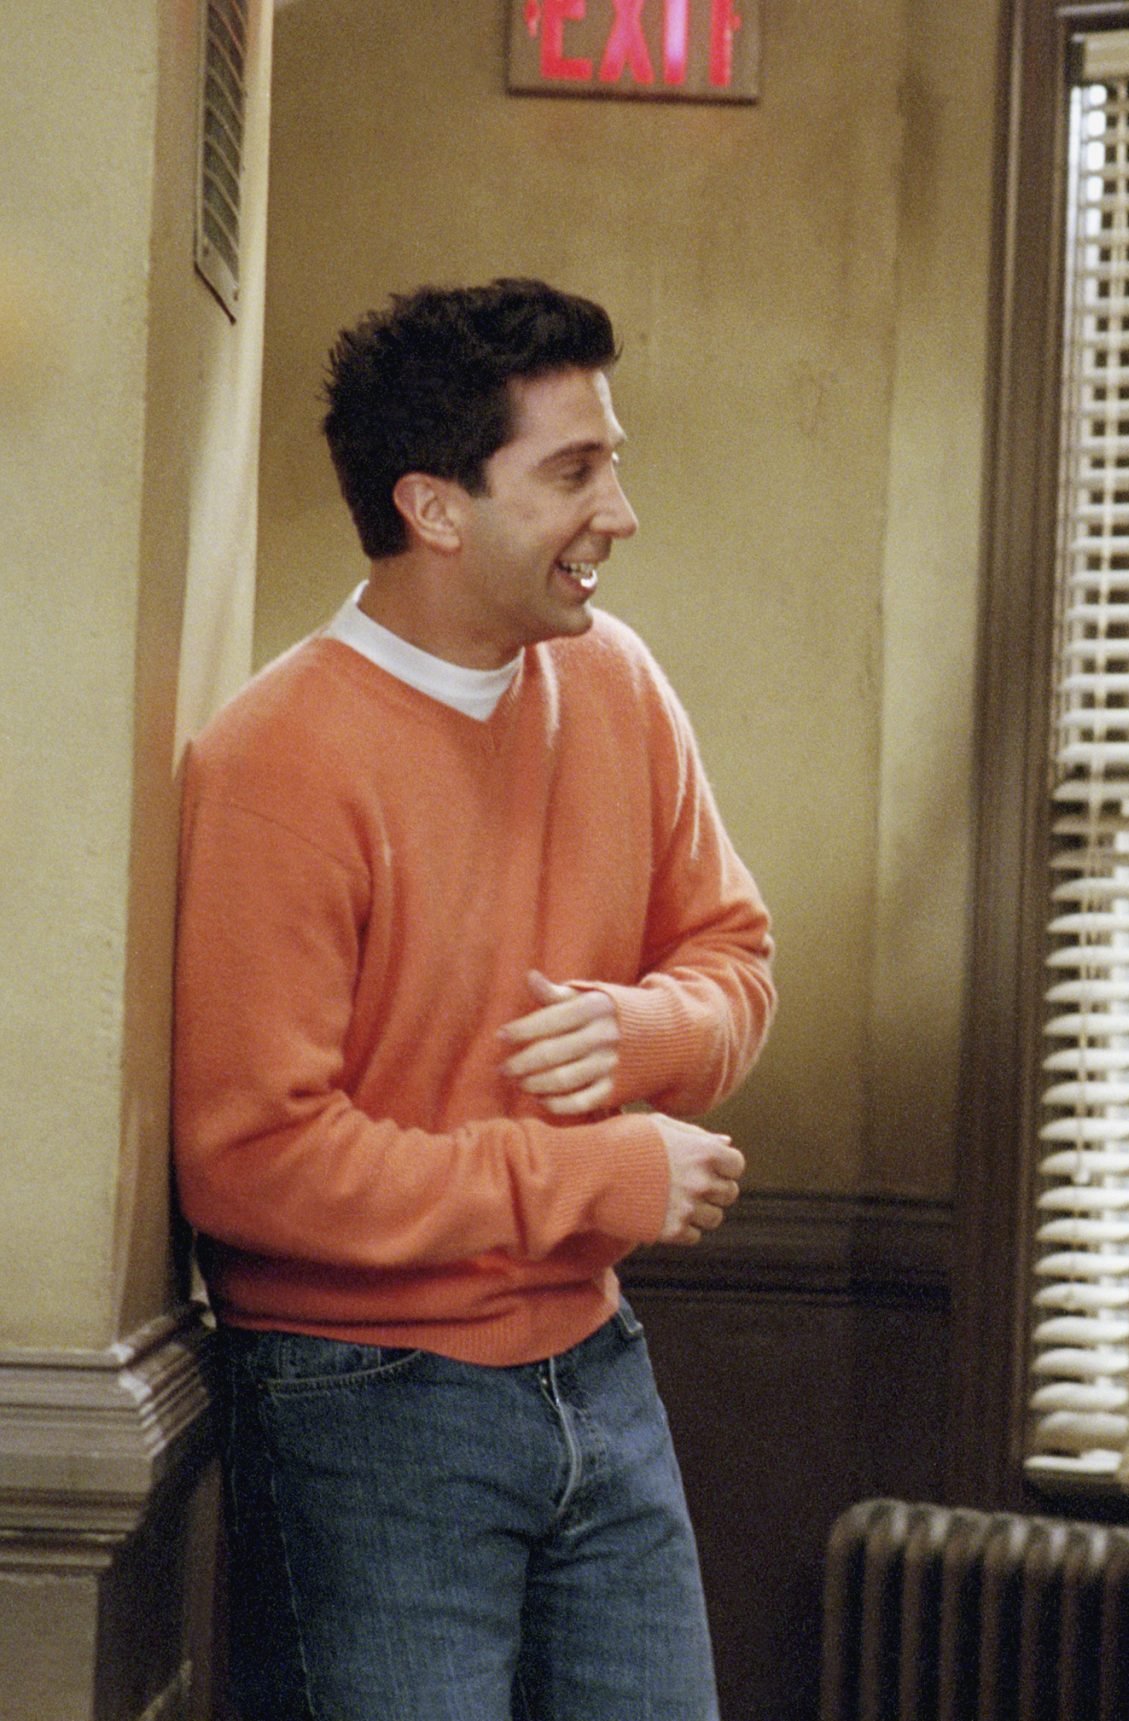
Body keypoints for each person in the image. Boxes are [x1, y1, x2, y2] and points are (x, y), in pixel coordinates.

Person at [172, 278, 773, 1719]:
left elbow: (734, 955)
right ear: (435, 508)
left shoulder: (616, 681)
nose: (620, 512)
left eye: (612, 461)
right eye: (574, 471)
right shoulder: (275, 761)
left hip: (598, 1365)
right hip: (358, 1404)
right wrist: (593, 1175)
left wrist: (652, 1030)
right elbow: (252, 1161)